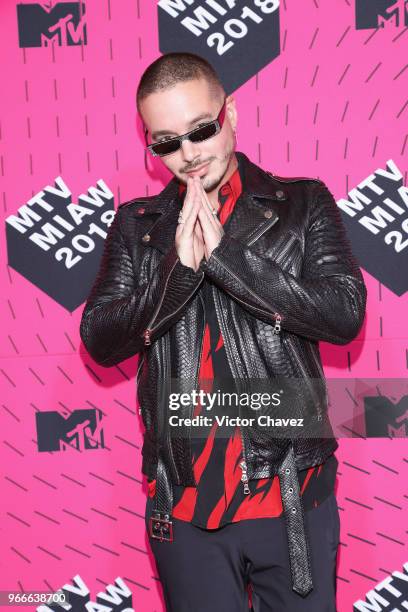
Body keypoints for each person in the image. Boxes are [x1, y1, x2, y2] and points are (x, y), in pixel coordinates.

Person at [79, 52, 367, 611]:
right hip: (185, 507)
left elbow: (344, 314)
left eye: (200, 131)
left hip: (290, 494)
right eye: (165, 142)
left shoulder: (302, 203)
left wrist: (229, 260)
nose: (187, 155)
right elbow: (99, 338)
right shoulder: (138, 227)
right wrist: (178, 272)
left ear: (229, 112)